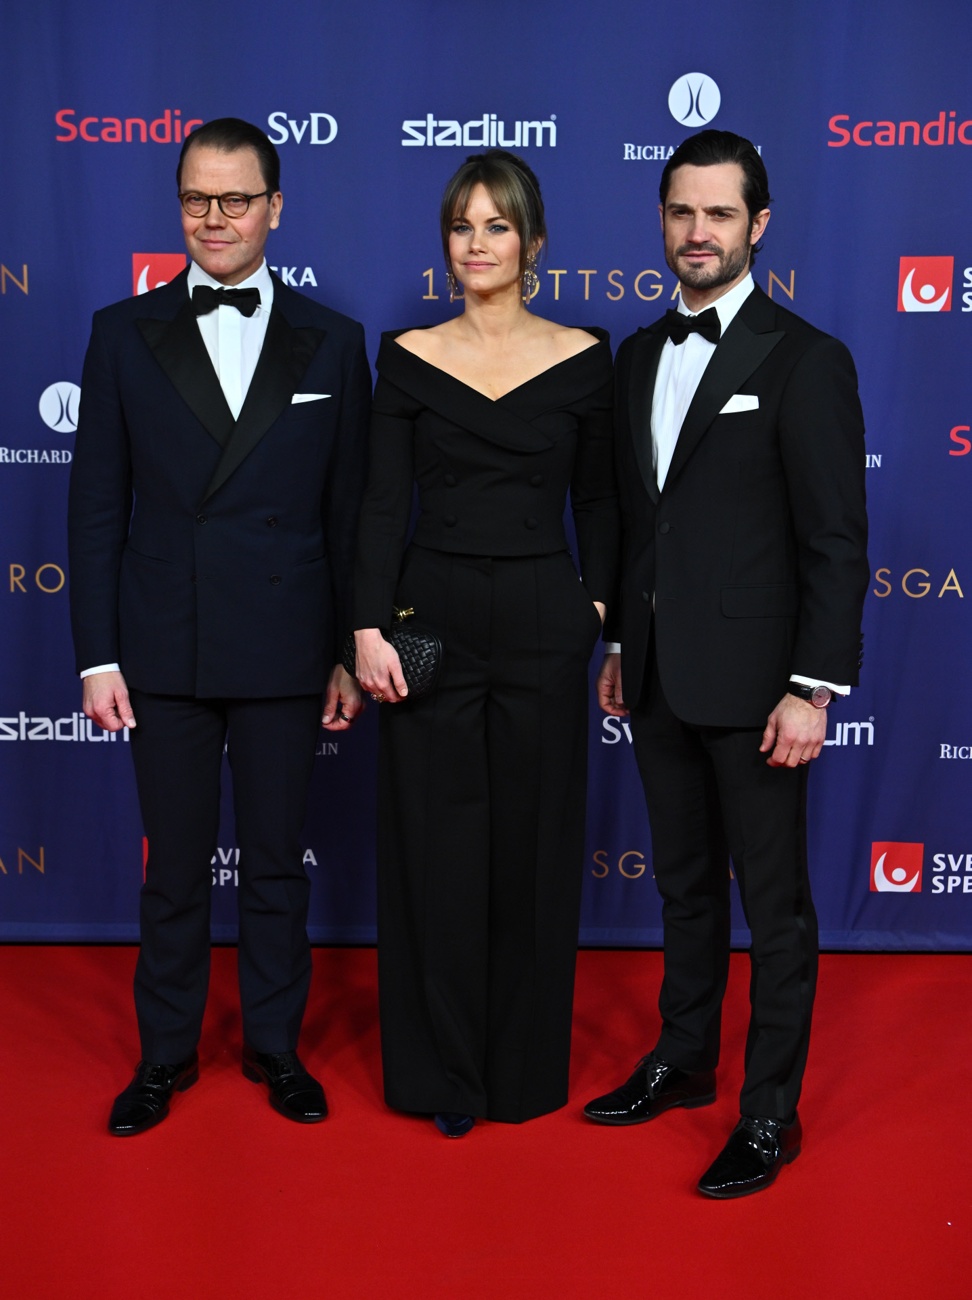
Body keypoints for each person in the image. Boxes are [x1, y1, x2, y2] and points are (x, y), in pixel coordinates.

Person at [68, 117, 370, 1135]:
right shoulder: (122, 331)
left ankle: (277, 1049)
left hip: (289, 645)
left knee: (278, 863)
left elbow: (349, 512)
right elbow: (97, 506)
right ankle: (163, 1056)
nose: (215, 217)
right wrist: (98, 654)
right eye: (197, 197)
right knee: (178, 863)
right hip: (165, 644)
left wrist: (347, 649)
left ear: (275, 208)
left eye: (236, 198)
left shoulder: (334, 339)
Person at [583, 130, 868, 1196]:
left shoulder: (807, 359)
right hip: (655, 673)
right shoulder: (636, 357)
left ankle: (769, 1113)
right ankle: (684, 1058)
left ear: (758, 224)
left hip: (760, 689)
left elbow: (836, 540)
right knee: (686, 888)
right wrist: (618, 640)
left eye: (717, 213)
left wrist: (812, 686)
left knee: (776, 905)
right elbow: (632, 521)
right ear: (660, 222)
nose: (695, 232)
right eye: (679, 212)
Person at [351, 150, 618, 1136]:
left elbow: (601, 499)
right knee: (434, 844)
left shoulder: (587, 356)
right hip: (428, 624)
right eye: (462, 226)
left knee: (537, 847)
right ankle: (440, 1077)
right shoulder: (408, 354)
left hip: (548, 620)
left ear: (533, 242)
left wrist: (596, 610)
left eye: (496, 226)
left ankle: (521, 1072)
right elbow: (382, 502)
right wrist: (366, 624)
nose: (477, 243)